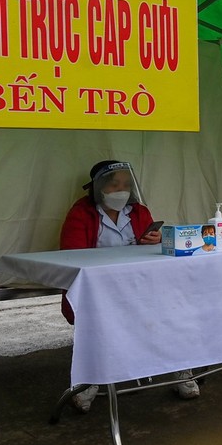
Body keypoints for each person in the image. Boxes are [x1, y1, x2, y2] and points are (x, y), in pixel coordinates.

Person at [59, 160, 200, 411]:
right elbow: (72, 256)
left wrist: (154, 239)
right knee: (98, 327)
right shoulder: (81, 212)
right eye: (114, 185)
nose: (121, 190)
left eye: (126, 184)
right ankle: (89, 381)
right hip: (100, 288)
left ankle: (181, 369)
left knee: (174, 311)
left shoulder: (138, 211)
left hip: (141, 284)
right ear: (98, 187)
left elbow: (154, 247)